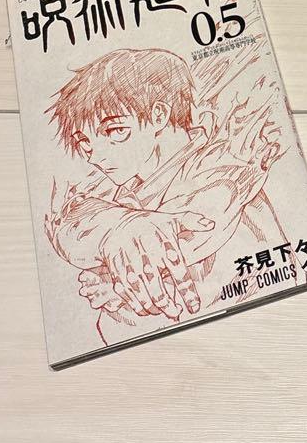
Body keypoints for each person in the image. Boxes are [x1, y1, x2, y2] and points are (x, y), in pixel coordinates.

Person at [45, 48, 290, 345]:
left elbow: (203, 233)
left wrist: (118, 282)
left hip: (249, 332)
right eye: (84, 142)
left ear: (159, 115)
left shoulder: (219, 165)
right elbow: (70, 219)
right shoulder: (125, 191)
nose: (95, 155)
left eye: (115, 130)